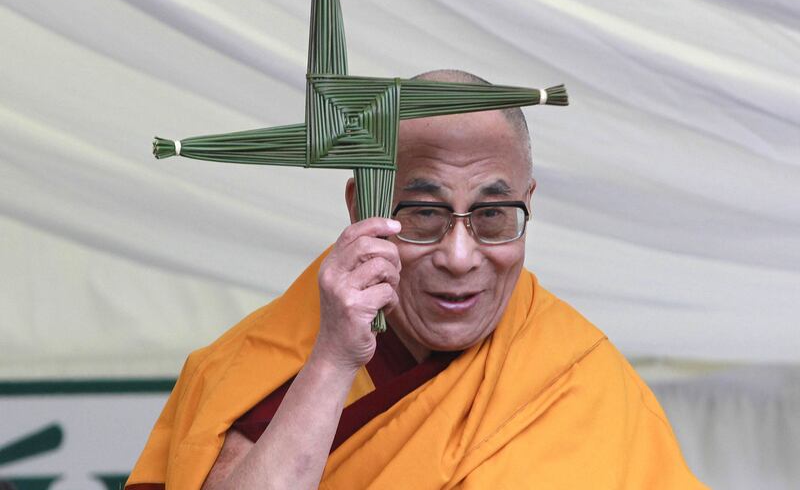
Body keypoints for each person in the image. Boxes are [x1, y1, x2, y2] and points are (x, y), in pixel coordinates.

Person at [126, 70, 706, 489]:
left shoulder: (579, 378)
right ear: (363, 209)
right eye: (424, 214)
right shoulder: (263, 362)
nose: (459, 255)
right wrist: (331, 361)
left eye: (492, 215)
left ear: (526, 204)